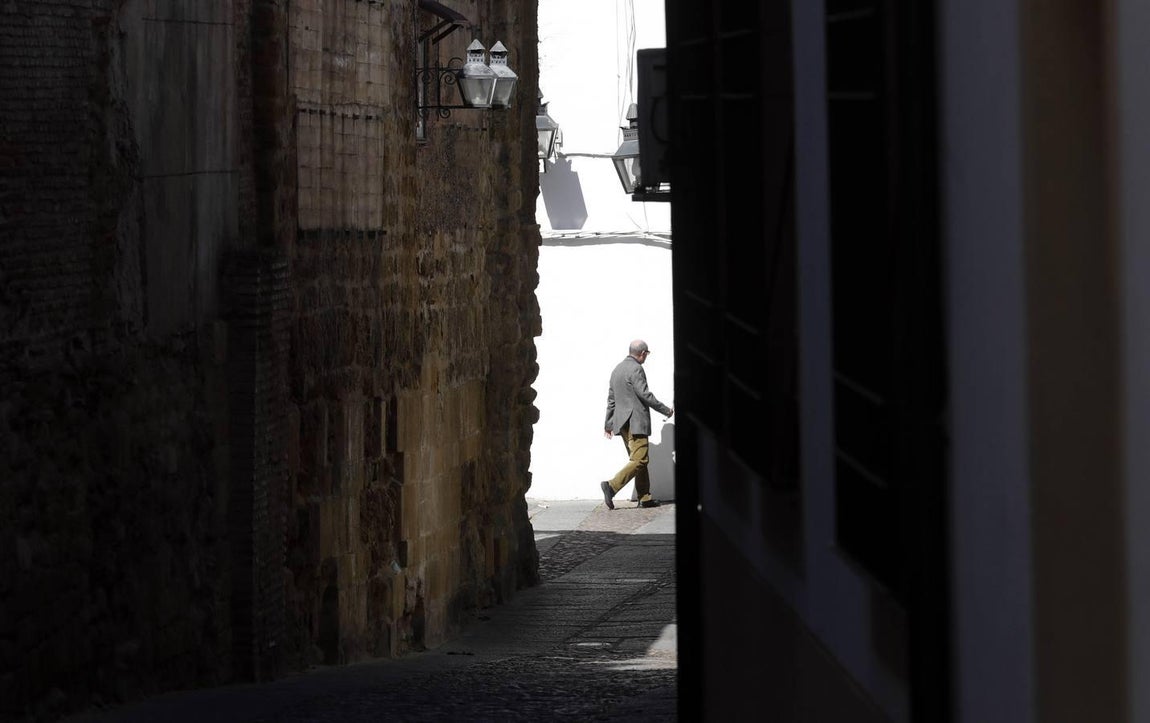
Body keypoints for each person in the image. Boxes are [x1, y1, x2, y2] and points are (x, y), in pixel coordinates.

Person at [600, 339, 673, 509]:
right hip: (636, 422)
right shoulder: (636, 369)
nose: (646, 357)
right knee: (640, 460)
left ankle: (645, 497)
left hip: (622, 424)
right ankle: (611, 486)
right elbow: (645, 395)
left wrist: (608, 424)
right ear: (642, 353)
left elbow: (611, 400)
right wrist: (666, 410)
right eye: (646, 354)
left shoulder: (616, 369)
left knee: (638, 460)